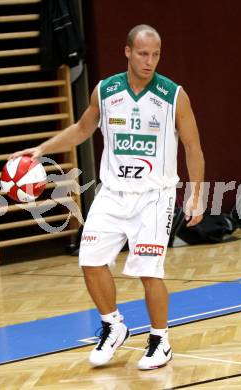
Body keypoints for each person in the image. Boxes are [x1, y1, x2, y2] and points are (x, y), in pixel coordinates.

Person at [11, 24, 205, 370]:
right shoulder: (106, 91)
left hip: (154, 196)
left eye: (156, 54)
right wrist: (40, 150)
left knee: (149, 270)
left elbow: (193, 147)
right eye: (143, 54)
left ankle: (160, 340)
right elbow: (82, 129)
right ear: (127, 51)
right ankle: (113, 325)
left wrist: (196, 194)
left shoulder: (173, 95)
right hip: (112, 193)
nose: (150, 61)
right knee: (89, 260)